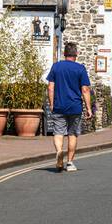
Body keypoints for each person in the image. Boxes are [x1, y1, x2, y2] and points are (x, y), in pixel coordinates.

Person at [46, 43, 92, 173]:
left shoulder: (56, 67)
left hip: (59, 106)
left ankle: (59, 151)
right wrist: (88, 108)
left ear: (64, 54)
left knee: (58, 132)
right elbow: (85, 89)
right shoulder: (80, 68)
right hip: (75, 107)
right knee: (72, 134)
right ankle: (70, 163)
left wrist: (51, 103)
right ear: (76, 54)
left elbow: (50, 87)